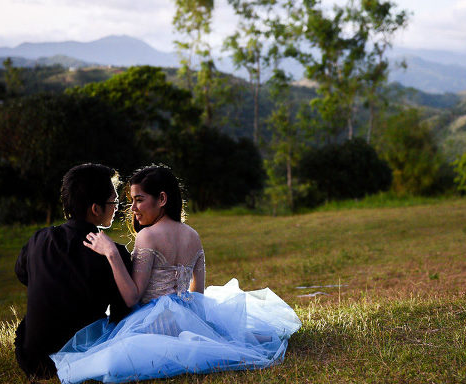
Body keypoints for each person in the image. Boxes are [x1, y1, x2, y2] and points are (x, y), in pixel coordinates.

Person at [50, 164, 301, 383]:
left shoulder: (147, 235)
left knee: (108, 358)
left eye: (139, 199)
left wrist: (112, 254)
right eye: (131, 200)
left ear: (161, 199)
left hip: (153, 321)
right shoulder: (192, 235)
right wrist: (188, 318)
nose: (133, 208)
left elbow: (132, 298)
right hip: (187, 314)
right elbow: (198, 293)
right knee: (225, 338)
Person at [14, 163, 132, 380]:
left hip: (32, 359)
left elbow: (22, 274)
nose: (117, 207)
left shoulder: (39, 240)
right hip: (83, 357)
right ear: (95, 209)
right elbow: (122, 312)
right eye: (113, 202)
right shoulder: (114, 254)